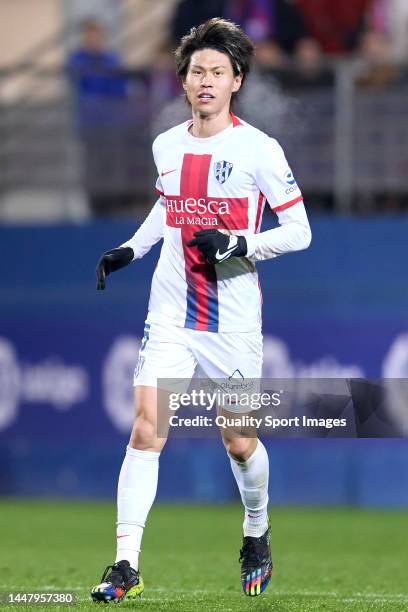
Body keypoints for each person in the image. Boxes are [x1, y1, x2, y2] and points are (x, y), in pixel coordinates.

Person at [91, 18, 311, 603]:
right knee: (145, 429)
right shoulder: (167, 145)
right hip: (170, 313)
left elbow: (301, 232)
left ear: (236, 80)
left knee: (239, 441)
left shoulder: (259, 150)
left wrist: (243, 244)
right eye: (196, 72)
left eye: (218, 72)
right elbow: (169, 210)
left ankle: (257, 529)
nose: (206, 81)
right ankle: (125, 564)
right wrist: (129, 250)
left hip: (233, 319)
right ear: (183, 82)